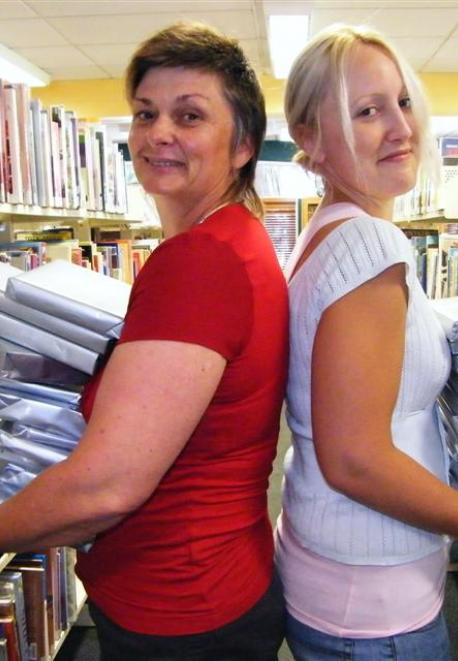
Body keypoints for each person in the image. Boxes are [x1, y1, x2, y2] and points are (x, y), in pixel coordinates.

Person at [0, 22, 288, 661]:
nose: (159, 132)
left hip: (181, 604)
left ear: (242, 144)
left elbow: (107, 487)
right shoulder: (232, 240)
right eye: (145, 114)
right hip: (211, 583)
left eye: (189, 116)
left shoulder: (202, 261)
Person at [275, 23, 458, 661]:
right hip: (372, 607)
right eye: (366, 111)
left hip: (341, 576)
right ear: (310, 141)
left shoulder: (331, 231)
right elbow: (357, 461)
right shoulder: (370, 245)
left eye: (401, 101)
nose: (400, 126)